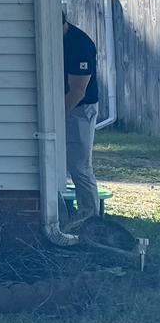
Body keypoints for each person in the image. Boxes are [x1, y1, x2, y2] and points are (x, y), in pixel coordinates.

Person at [64, 15, 103, 220]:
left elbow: (78, 91)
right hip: (61, 105)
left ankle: (89, 218)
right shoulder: (53, 39)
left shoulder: (80, 44)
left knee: (79, 166)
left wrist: (55, 118)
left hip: (80, 108)